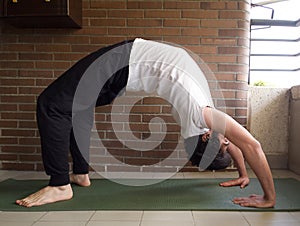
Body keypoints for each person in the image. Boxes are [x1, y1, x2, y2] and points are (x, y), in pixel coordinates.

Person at [16, 38, 276, 208]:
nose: (228, 142)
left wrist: (268, 198)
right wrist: (242, 174)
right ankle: (81, 174)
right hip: (128, 73)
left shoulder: (203, 115)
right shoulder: (203, 127)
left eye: (224, 143)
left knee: (50, 103)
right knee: (77, 104)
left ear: (208, 137)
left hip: (124, 61)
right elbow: (235, 146)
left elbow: (252, 146)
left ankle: (60, 185)